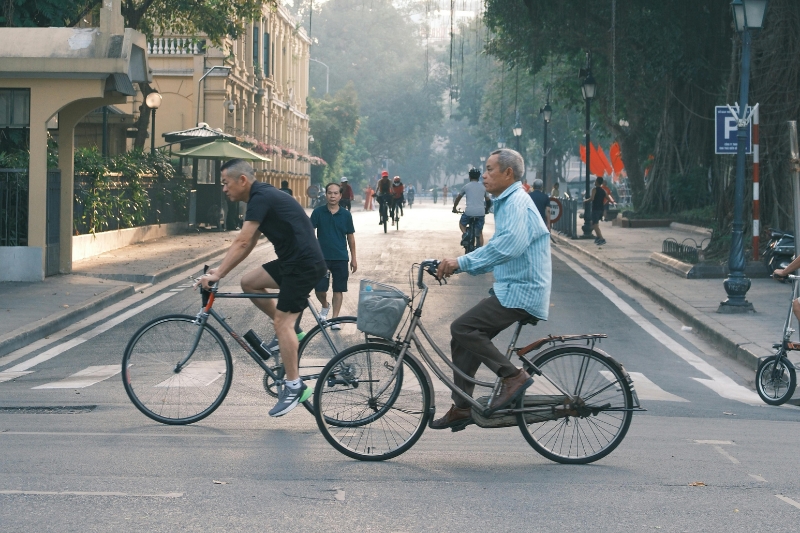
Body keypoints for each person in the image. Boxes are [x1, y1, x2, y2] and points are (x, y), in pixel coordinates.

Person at [432, 148, 551, 430]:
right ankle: (462, 406)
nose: (483, 175)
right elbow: (498, 249)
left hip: (522, 290)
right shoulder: (505, 202)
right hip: (511, 287)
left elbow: (507, 247)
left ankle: (513, 376)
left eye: (489, 169)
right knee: (462, 339)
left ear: (508, 173)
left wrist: (461, 262)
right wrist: (460, 264)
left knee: (463, 328)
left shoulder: (517, 202)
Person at [199, 159, 327, 417]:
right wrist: (221, 270)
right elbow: (249, 242)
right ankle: (293, 333)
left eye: (226, 183)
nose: (223, 188)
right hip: (293, 262)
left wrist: (219, 274)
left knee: (281, 323)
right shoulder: (260, 197)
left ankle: (294, 386)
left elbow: (242, 241)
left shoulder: (260, 198)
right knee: (250, 282)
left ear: (242, 180)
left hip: (302, 265)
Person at [310, 182, 357, 328]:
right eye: (330, 193)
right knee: (319, 289)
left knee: (338, 289)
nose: (332, 196)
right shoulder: (318, 212)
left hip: (340, 257)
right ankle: (325, 305)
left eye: (336, 193)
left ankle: (335, 319)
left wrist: (354, 258)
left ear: (340, 196)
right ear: (326, 195)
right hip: (321, 258)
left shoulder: (346, 215)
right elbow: (309, 232)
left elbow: (350, 237)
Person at [452, 167, 491, 247]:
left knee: (462, 224)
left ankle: (465, 233)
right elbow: (488, 201)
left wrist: (454, 208)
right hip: (480, 212)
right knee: (479, 232)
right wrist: (486, 209)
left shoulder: (466, 187)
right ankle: (479, 250)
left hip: (469, 212)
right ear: (479, 177)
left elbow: (458, 198)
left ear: (469, 176)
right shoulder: (483, 187)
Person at [584, 176, 607, 245]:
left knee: (595, 224)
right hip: (601, 209)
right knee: (594, 223)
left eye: (595, 181)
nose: (595, 182)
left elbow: (592, 198)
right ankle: (598, 237)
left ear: (597, 182)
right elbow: (608, 199)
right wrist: (603, 203)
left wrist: (586, 201)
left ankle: (601, 238)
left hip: (595, 209)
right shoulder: (603, 190)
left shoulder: (594, 189)